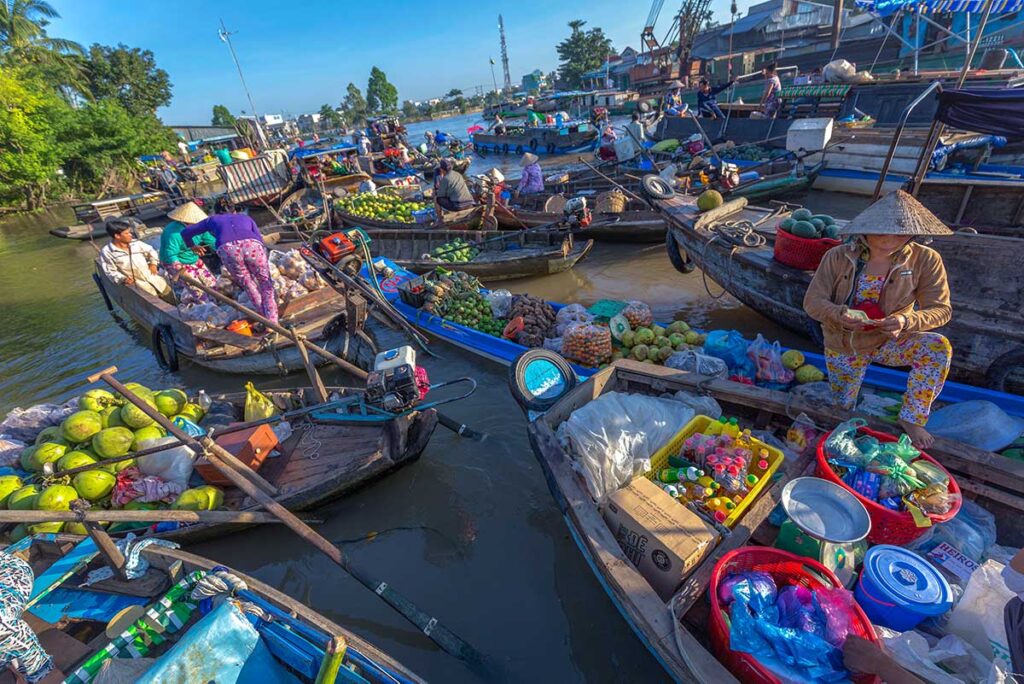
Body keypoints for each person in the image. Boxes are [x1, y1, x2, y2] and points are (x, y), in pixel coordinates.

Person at [803, 190, 954, 448]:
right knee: (843, 407)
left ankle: (912, 418)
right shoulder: (838, 256)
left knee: (937, 347)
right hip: (845, 341)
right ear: (864, 230)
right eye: (881, 231)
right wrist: (839, 315)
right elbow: (812, 303)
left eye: (899, 232)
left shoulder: (926, 259)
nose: (889, 239)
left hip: (890, 340)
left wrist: (906, 322)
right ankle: (844, 410)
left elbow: (941, 309)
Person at [180, 212, 278, 324]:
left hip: (228, 250)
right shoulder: (245, 217)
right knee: (265, 283)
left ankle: (265, 318)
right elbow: (259, 238)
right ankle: (272, 319)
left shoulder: (211, 220)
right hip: (252, 246)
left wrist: (192, 246)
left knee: (248, 284)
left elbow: (185, 232)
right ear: (233, 212)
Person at [159, 201, 218, 306]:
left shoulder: (201, 228)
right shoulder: (174, 232)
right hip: (175, 261)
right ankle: (208, 309)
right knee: (196, 289)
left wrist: (222, 250)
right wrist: (180, 270)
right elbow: (171, 253)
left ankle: (217, 302)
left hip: (192, 257)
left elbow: (211, 241)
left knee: (211, 283)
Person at [98, 218, 172, 301]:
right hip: (140, 288)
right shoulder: (107, 252)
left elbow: (151, 251)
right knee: (155, 304)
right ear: (117, 236)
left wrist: (153, 263)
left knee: (172, 298)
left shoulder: (136, 243)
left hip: (156, 280)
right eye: (127, 233)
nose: (131, 235)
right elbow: (110, 271)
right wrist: (122, 278)